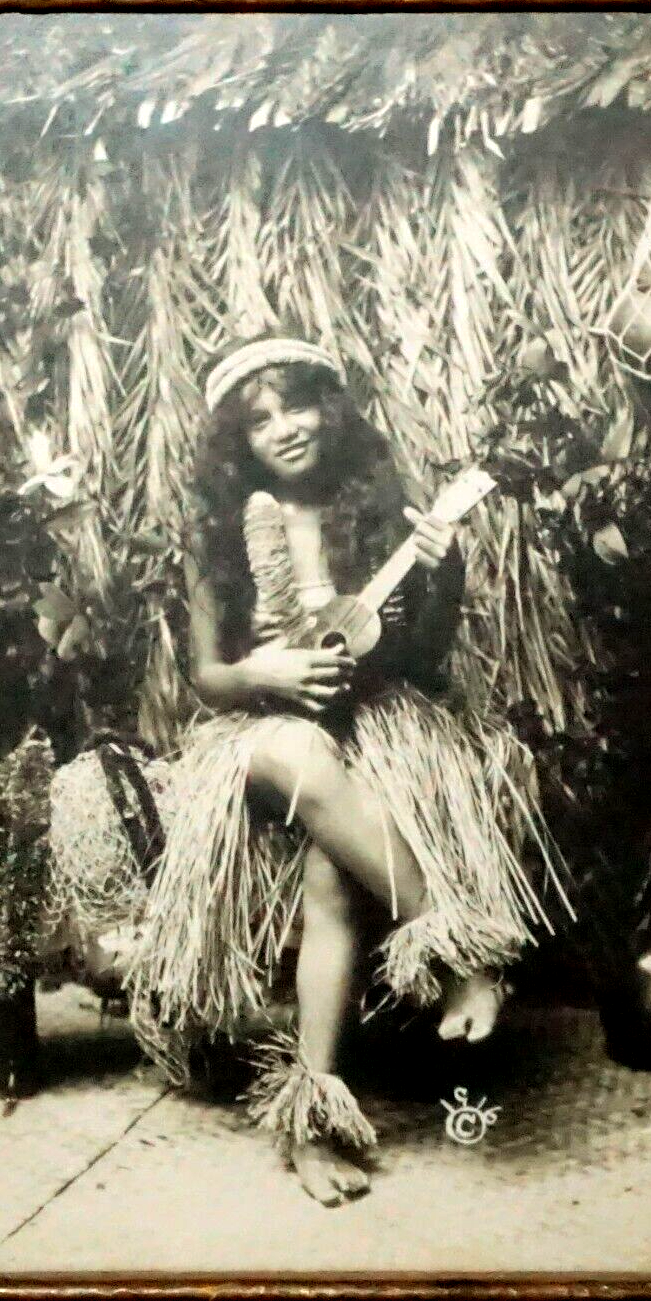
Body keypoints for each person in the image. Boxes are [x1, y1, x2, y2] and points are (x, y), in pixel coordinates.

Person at [127, 334, 557, 1205]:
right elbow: (207, 676)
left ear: (331, 409)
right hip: (264, 732)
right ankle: (461, 947)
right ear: (236, 443)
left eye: (298, 405)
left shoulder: (375, 509)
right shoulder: (217, 535)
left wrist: (441, 575)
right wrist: (262, 674)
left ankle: (311, 1125)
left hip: (379, 724)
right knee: (294, 751)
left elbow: (426, 657)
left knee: (331, 872)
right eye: (259, 420)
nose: (284, 428)